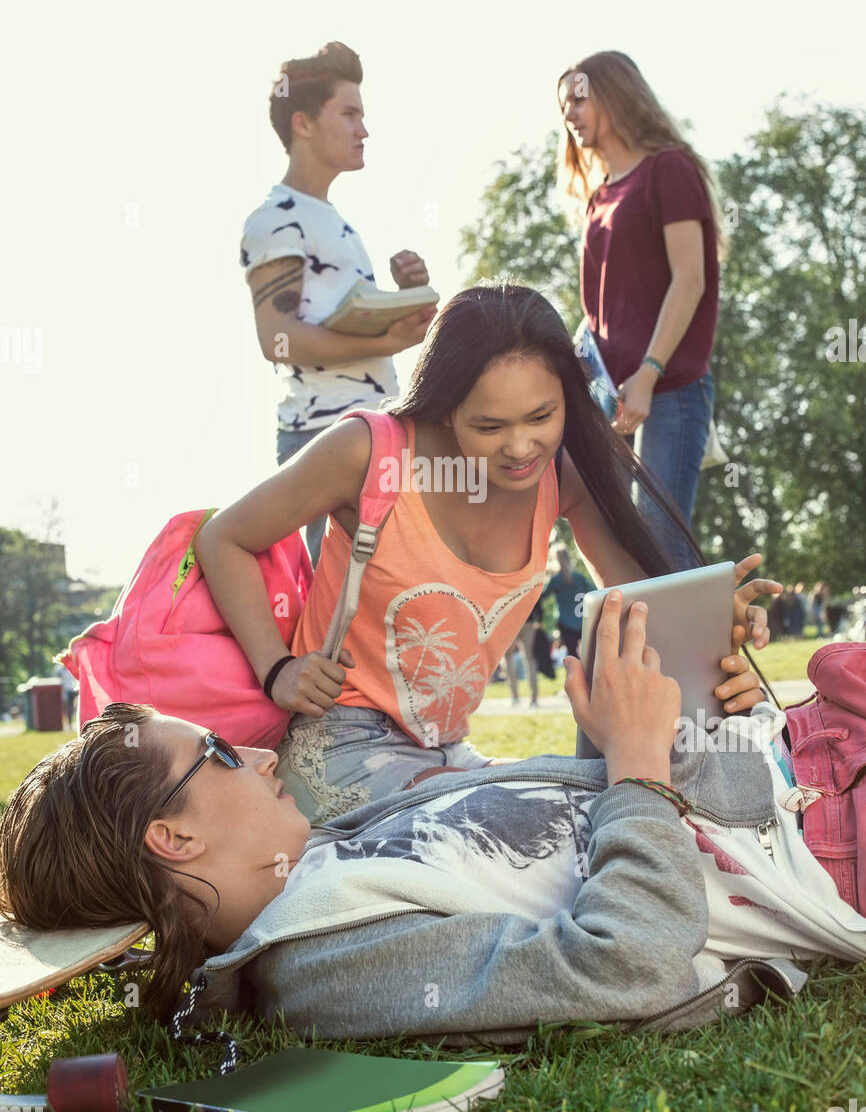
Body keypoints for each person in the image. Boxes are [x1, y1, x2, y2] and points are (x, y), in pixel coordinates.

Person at [2, 595, 864, 1043]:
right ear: (174, 839)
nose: (262, 755)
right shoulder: (322, 960)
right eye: (221, 754)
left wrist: (653, 733)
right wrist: (637, 769)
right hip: (820, 841)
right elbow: (620, 967)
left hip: (787, 750)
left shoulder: (317, 862)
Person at [196, 284, 779, 825]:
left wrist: (711, 625)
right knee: (536, 824)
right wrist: (278, 669)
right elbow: (223, 538)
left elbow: (639, 610)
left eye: (542, 416)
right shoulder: (366, 453)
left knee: (610, 800)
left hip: (447, 754)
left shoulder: (564, 475)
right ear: (446, 405)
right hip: (343, 747)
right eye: (489, 426)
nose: (521, 447)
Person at [240, 41, 435, 564]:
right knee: (335, 616)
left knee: (387, 605)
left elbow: (357, 329)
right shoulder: (275, 218)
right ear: (302, 123)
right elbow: (276, 339)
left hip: (376, 428)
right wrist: (388, 337)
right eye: (349, 114)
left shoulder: (336, 222)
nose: (363, 130)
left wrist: (408, 302)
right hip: (322, 436)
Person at [558, 51, 724, 571]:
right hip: (607, 392)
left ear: (614, 94)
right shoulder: (600, 195)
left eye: (579, 100)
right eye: (563, 107)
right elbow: (602, 306)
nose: (570, 114)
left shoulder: (669, 169)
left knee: (661, 542)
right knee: (611, 538)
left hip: (669, 389)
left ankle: (692, 654)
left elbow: (690, 279)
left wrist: (649, 373)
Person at [541, 547, 593, 656]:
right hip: (582, 619)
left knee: (572, 653)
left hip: (565, 622)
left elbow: (542, 597)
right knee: (590, 651)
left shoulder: (556, 580)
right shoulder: (579, 577)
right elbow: (593, 592)